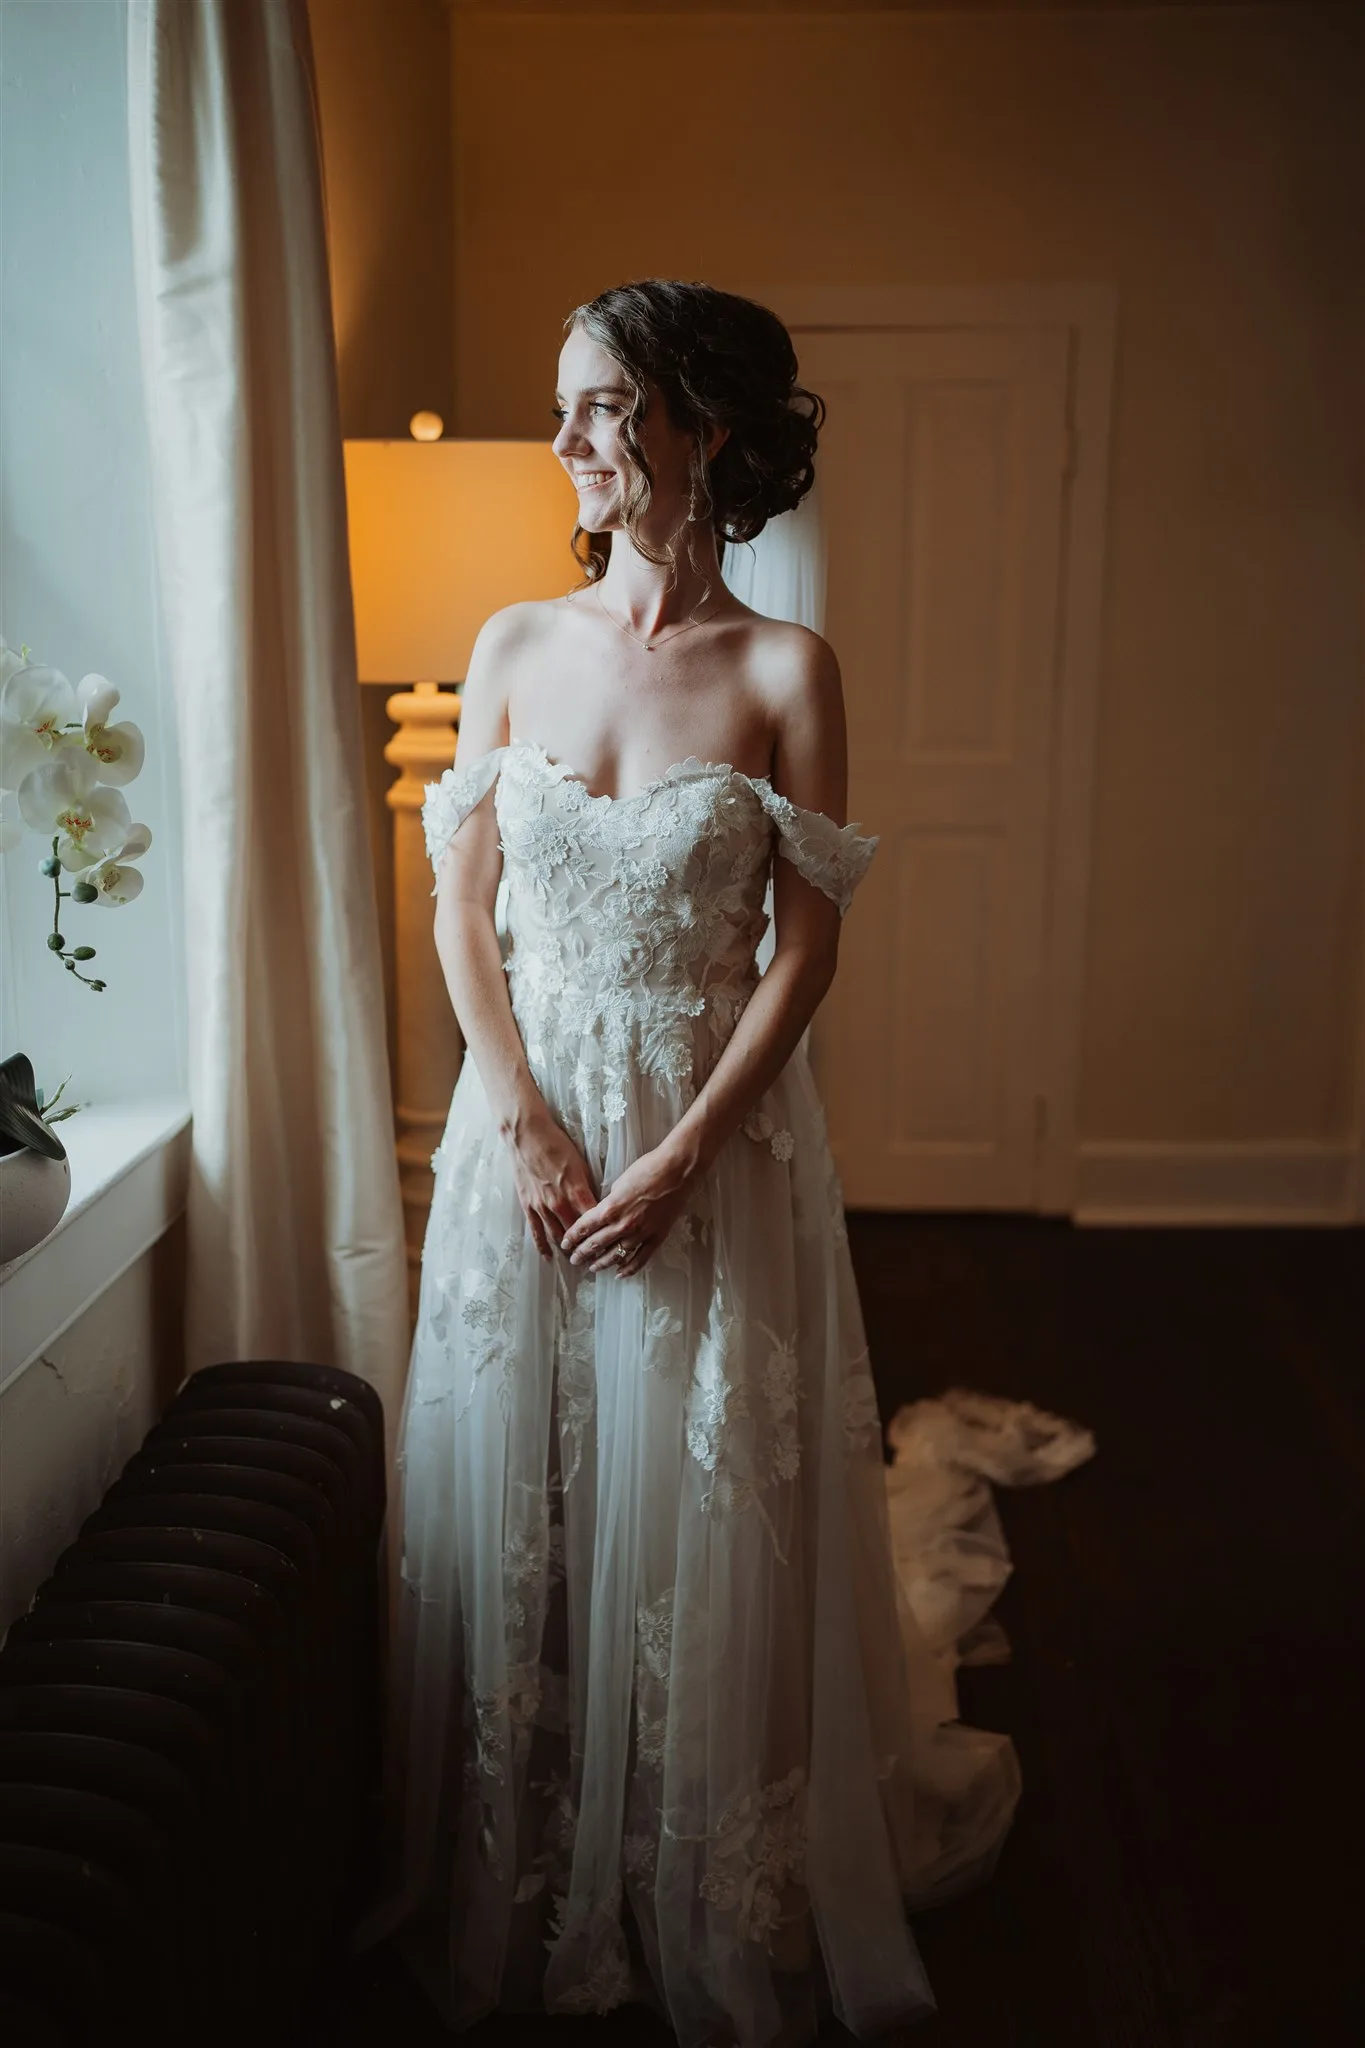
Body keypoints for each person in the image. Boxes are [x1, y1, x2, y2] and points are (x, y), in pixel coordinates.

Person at [351, 280, 1092, 2047]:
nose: (564, 441)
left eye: (600, 407)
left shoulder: (784, 670)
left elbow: (806, 955)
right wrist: (521, 1115)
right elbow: (460, 912)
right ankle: (527, 1840)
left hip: (713, 1144)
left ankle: (695, 1865)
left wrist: (684, 1155)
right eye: (564, 405)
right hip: (524, 1139)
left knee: (695, 1499)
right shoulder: (513, 645)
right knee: (528, 1481)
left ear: (702, 426)